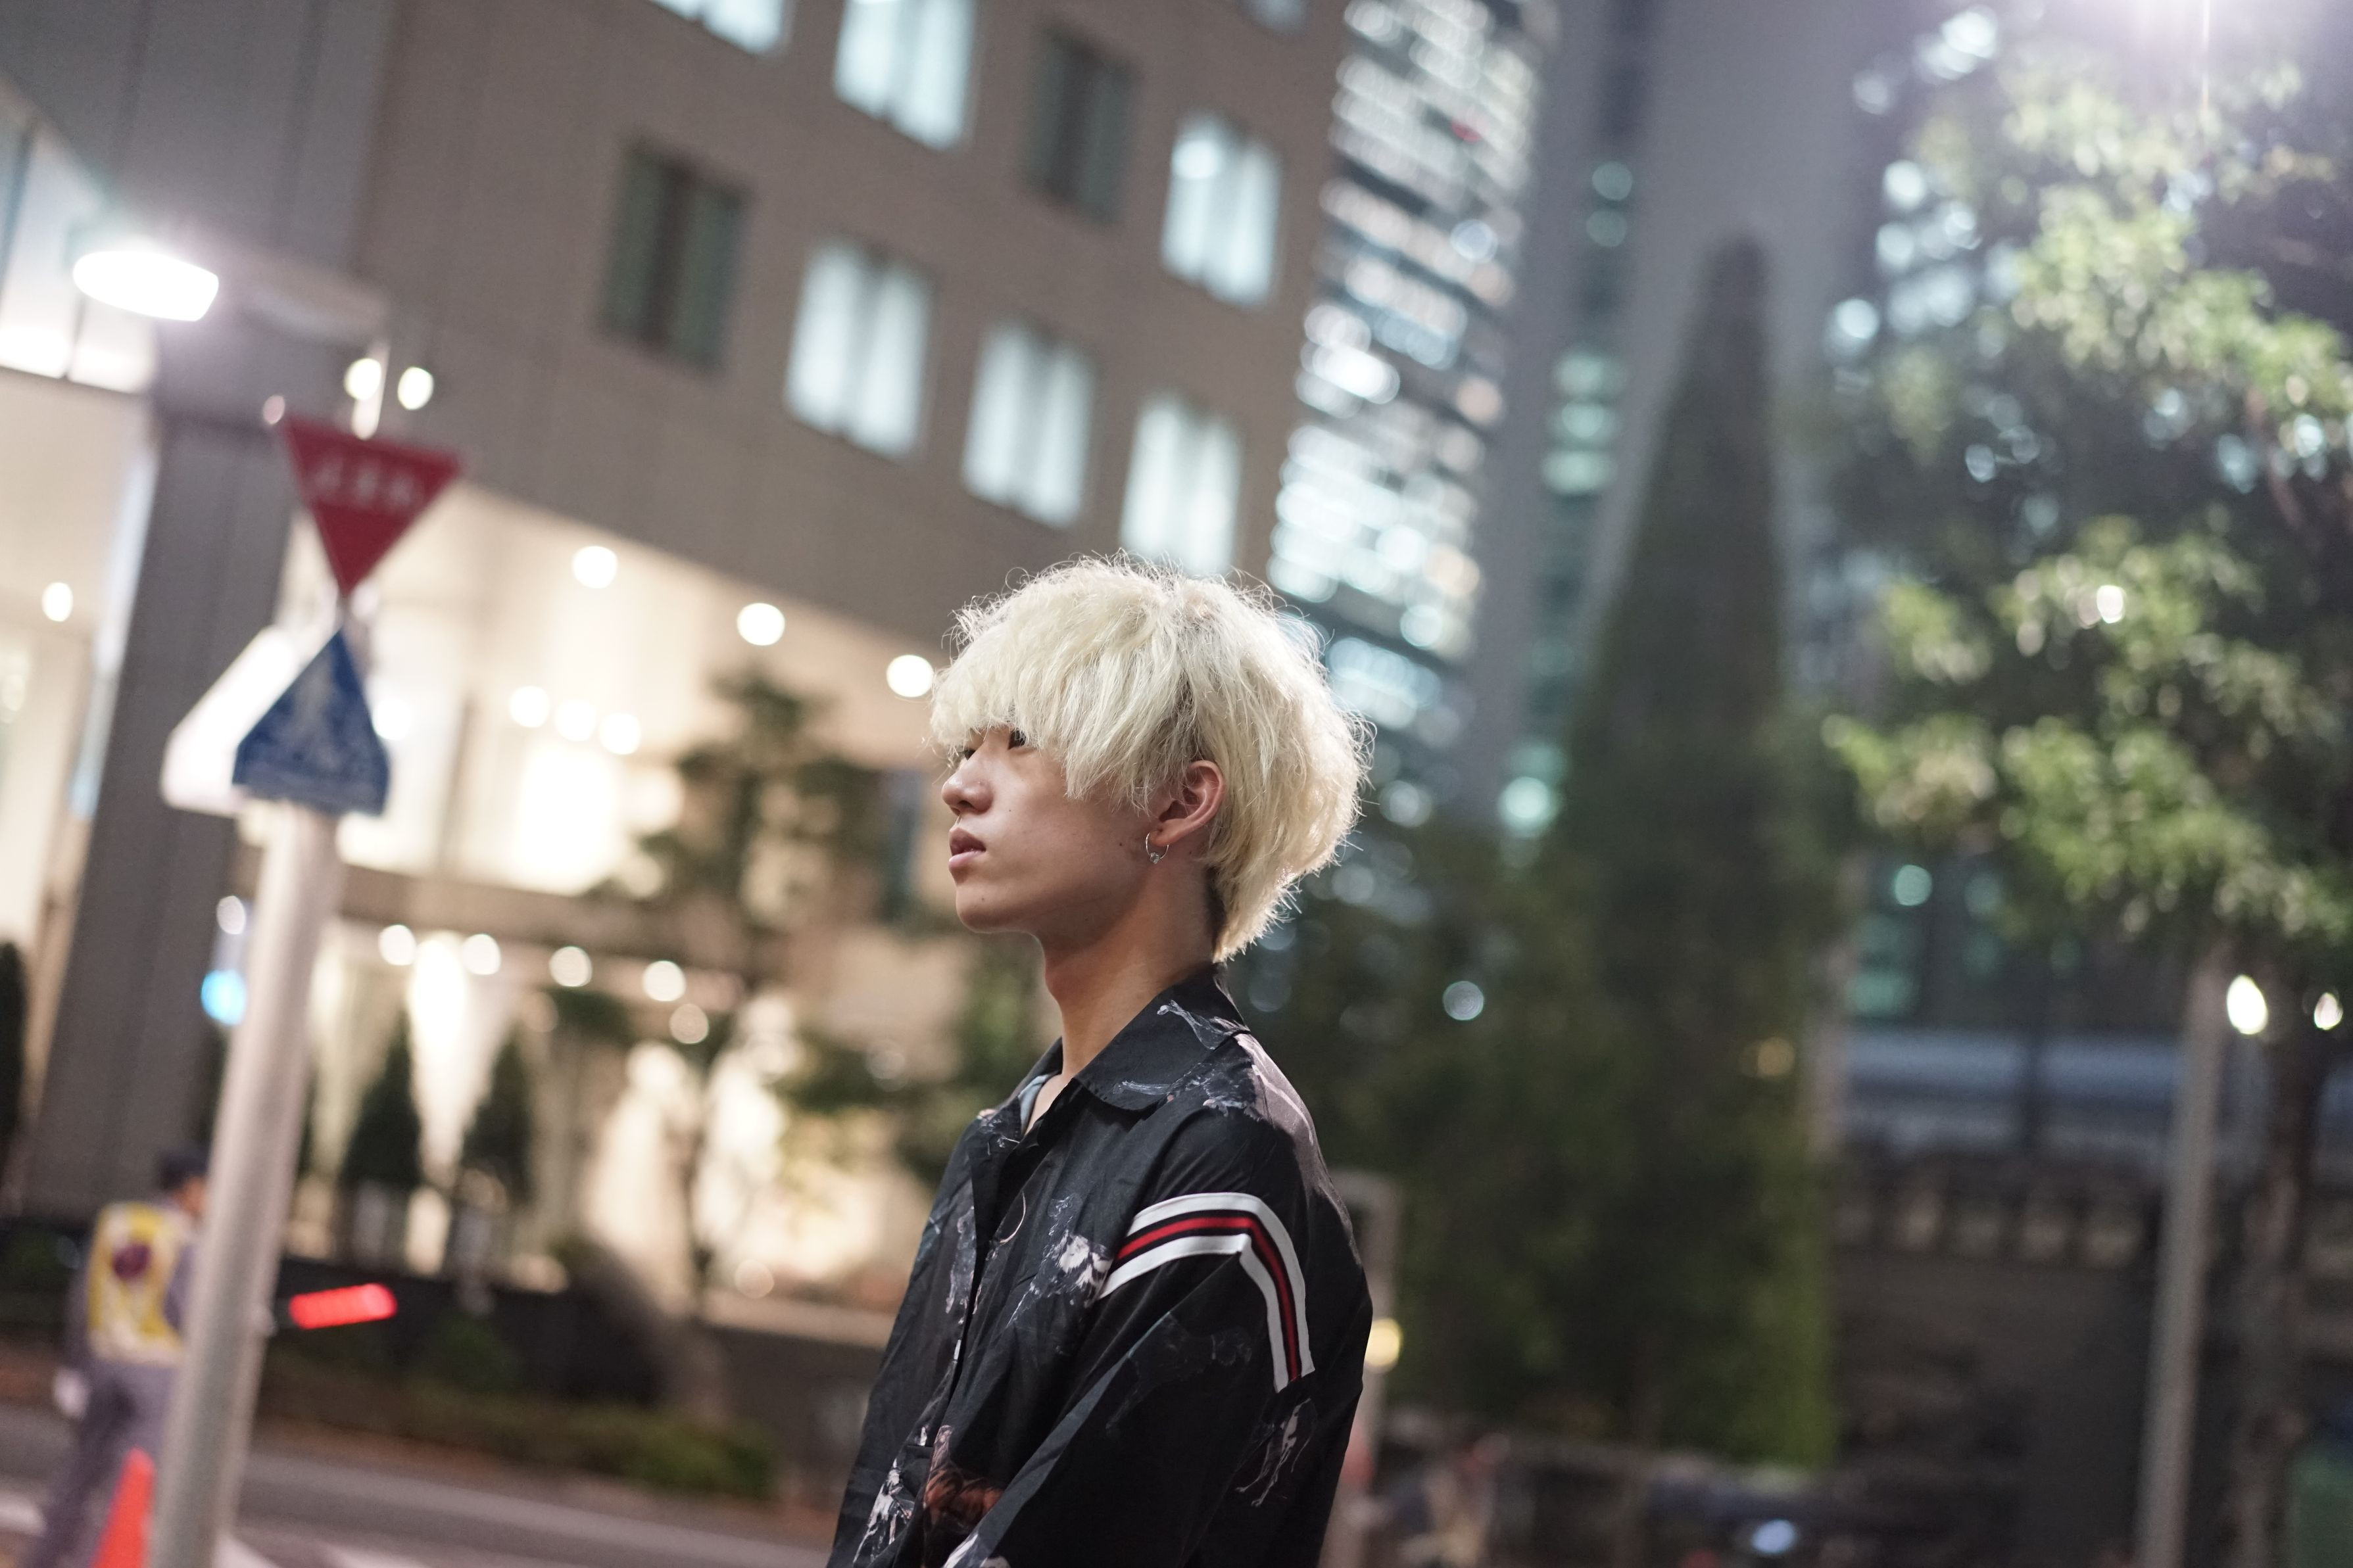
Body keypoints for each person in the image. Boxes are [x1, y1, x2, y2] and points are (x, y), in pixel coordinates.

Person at [831, 559, 1374, 1568]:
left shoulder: (1225, 1152)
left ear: (1175, 803)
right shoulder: (1011, 1133)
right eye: (966, 745)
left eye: (1020, 742)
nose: (959, 783)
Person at [24, 1146, 207, 1568]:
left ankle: (43, 1557)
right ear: (190, 1189)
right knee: (131, 1484)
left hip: (102, 1363)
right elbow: (186, 1310)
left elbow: (82, 1297)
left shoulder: (117, 1221)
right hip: (157, 1373)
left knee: (80, 1471)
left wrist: (72, 1364)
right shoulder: (184, 1236)